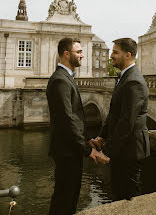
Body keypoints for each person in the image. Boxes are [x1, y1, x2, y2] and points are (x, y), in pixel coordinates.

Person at [47, 37, 109, 215]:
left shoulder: (65, 77)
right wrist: (88, 151)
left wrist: (87, 139)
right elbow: (67, 120)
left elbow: (75, 117)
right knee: (64, 199)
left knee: (70, 196)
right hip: (67, 151)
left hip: (70, 149)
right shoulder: (60, 80)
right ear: (67, 54)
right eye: (79, 52)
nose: (82, 55)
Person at [92, 38, 150, 201]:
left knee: (127, 198)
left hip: (130, 150)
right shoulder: (125, 77)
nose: (111, 56)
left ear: (128, 55)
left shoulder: (134, 81)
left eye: (115, 52)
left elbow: (126, 122)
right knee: (118, 192)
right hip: (124, 148)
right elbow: (114, 113)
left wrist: (107, 152)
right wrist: (102, 136)